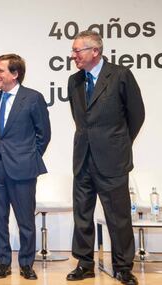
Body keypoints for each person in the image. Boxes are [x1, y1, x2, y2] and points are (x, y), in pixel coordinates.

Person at [66, 30, 145, 285]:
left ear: (95, 51)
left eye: (77, 50)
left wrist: (118, 143)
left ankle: (123, 267)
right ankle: (85, 263)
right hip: (83, 159)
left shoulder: (120, 75)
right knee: (82, 214)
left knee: (118, 216)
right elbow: (80, 119)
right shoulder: (74, 81)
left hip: (113, 159)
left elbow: (137, 115)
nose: (73, 55)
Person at [0, 54, 51, 280]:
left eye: (0, 71)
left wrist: (28, 158)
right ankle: (3, 263)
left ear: (15, 74)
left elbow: (44, 135)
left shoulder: (33, 98)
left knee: (25, 220)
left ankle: (26, 264)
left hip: (23, 169)